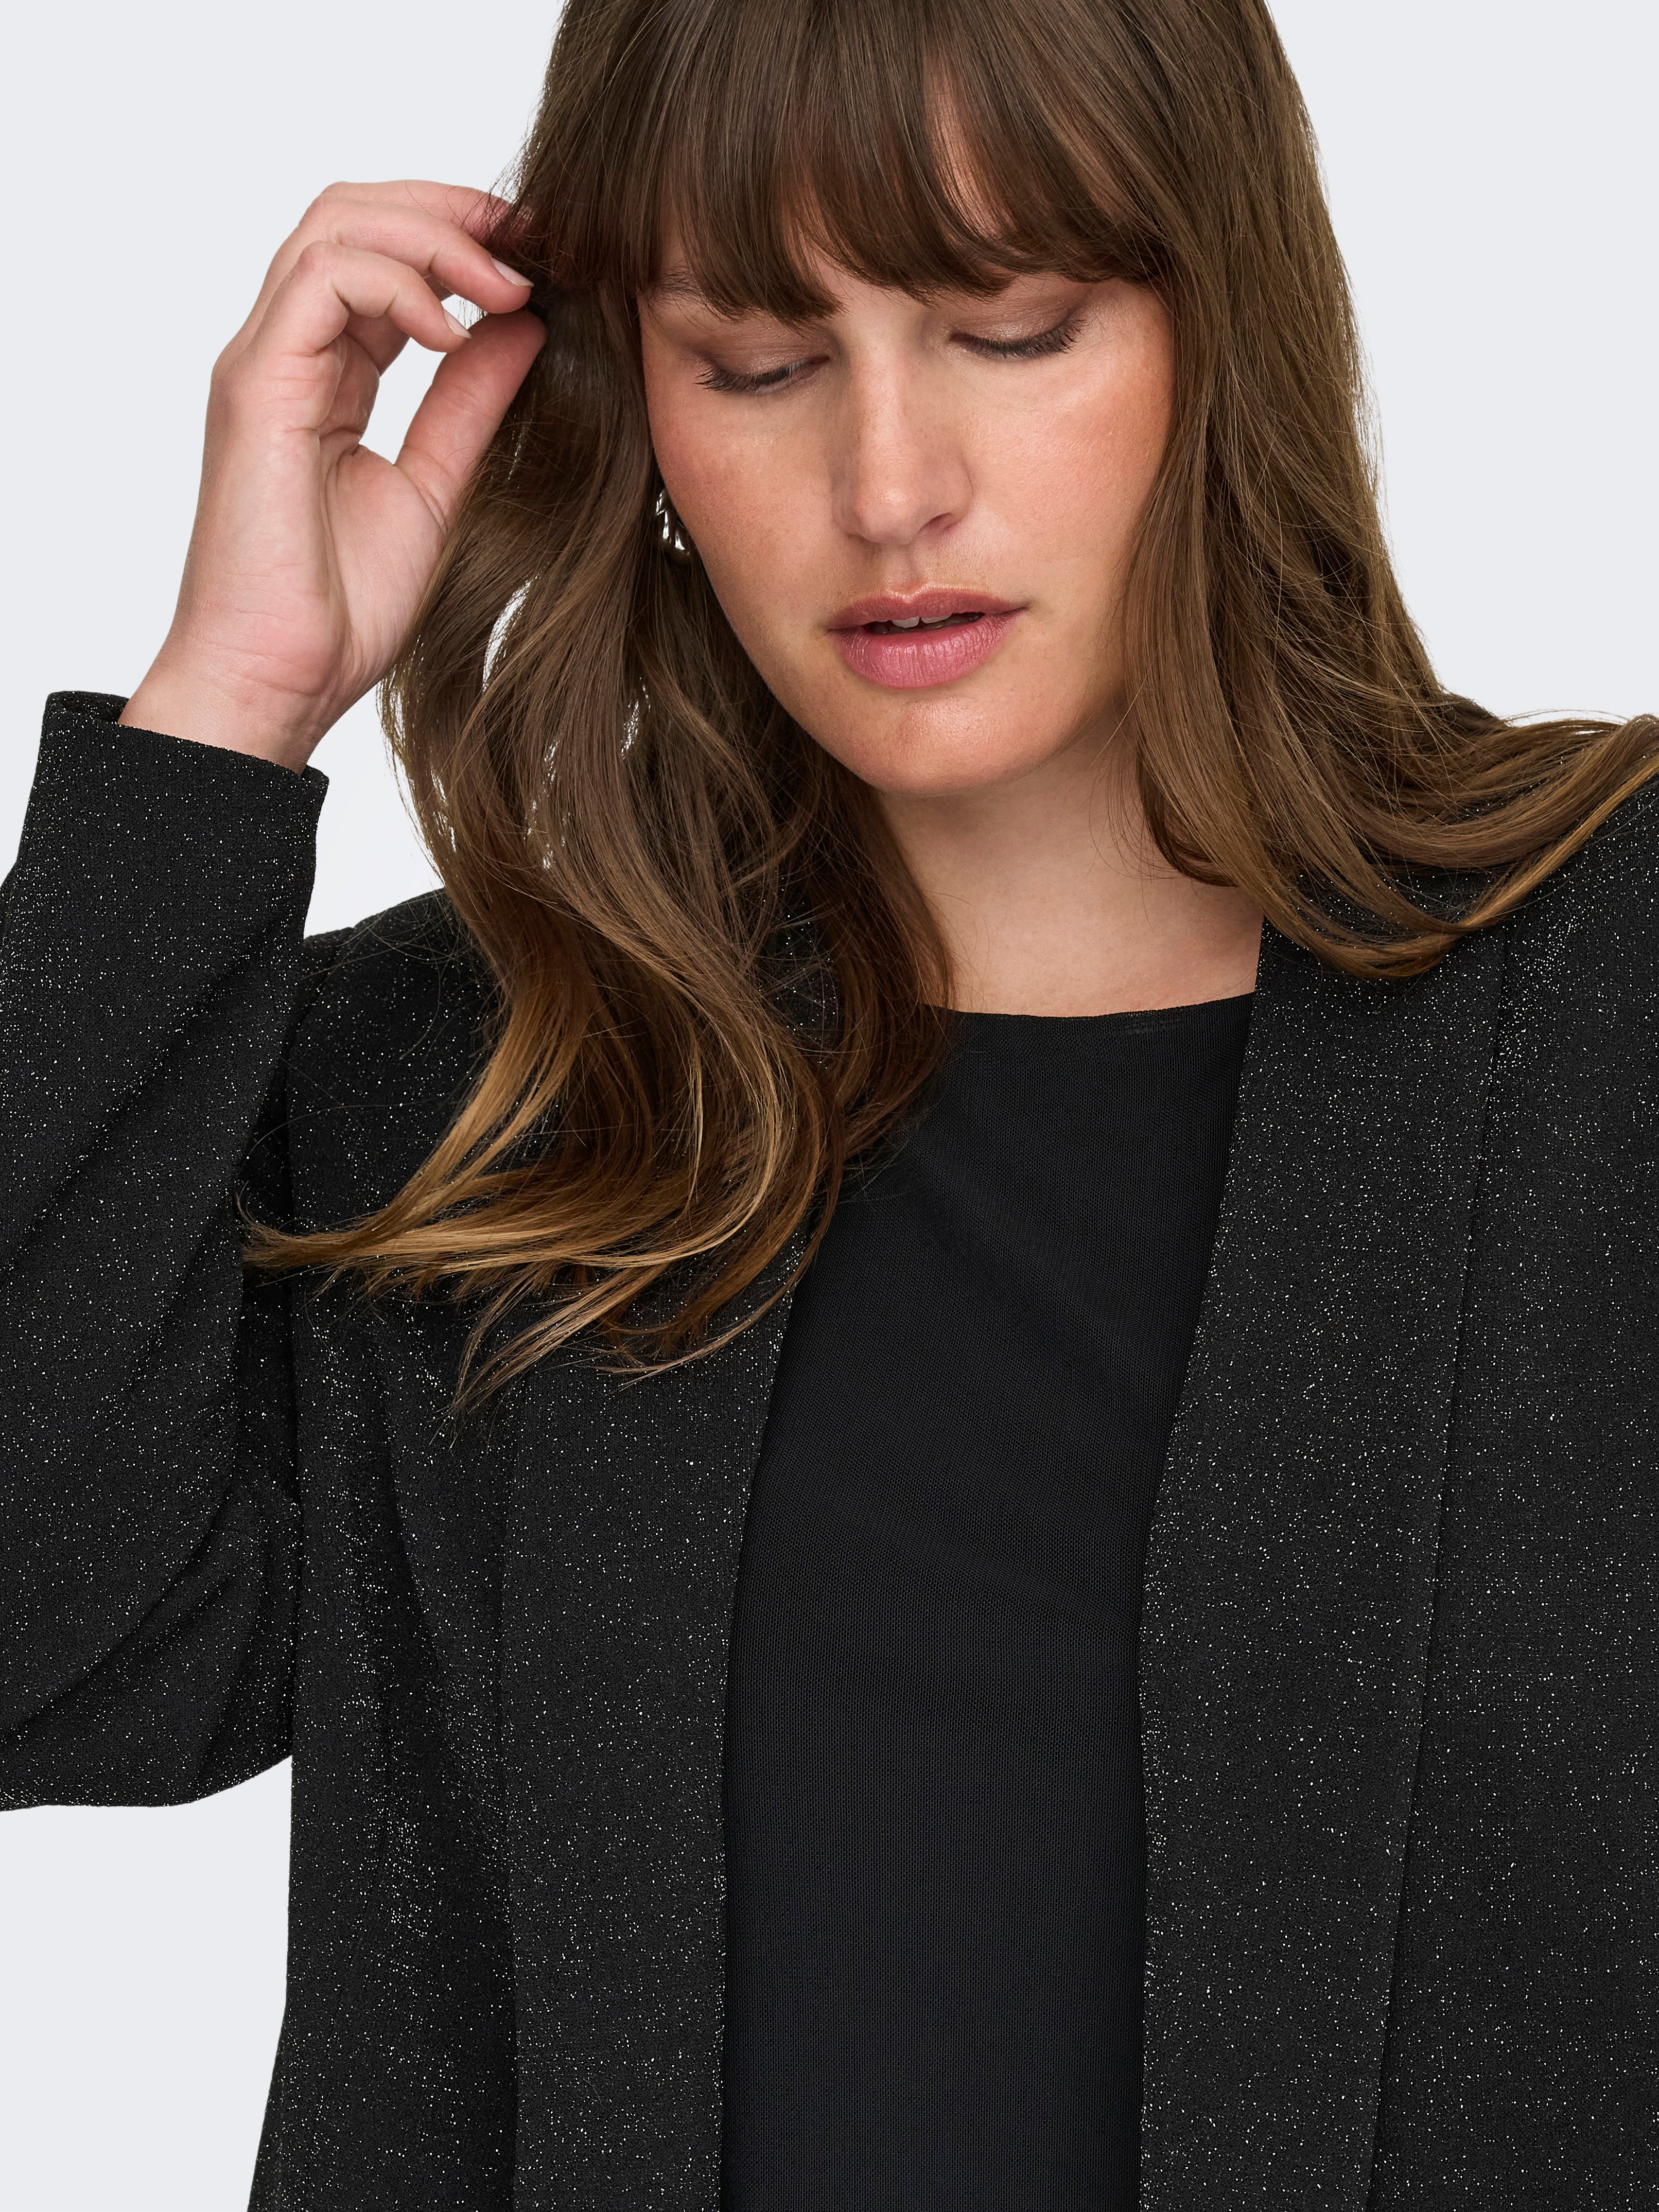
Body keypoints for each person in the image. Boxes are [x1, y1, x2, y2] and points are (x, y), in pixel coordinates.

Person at [3, 0, 1655, 2205]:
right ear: (630, 402)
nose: (889, 489)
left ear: (1220, 324)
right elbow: (51, 1659)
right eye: (760, 364)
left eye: (1011, 330)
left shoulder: (1601, 993)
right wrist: (226, 712)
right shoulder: (475, 1079)